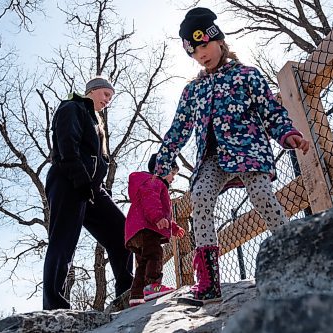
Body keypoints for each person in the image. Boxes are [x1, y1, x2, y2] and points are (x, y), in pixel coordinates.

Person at [153, 7, 310, 306]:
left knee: (262, 195)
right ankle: (209, 281)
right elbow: (179, 128)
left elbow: (271, 110)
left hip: (248, 149)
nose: (201, 55)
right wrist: (164, 160)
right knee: (199, 197)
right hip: (212, 159)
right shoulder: (193, 90)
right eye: (193, 51)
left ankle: (296, 256)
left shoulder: (246, 76)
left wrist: (288, 133)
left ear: (219, 41)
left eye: (204, 46)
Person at [43, 77, 134, 310]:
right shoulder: (73, 107)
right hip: (68, 179)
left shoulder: (97, 123)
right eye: (105, 94)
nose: (107, 101)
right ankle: (55, 305)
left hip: (92, 189)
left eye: (110, 98)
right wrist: (80, 179)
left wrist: (94, 184)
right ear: (91, 92)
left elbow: (99, 161)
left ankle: (127, 291)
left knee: (121, 232)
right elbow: (66, 145)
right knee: (63, 241)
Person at [123, 154, 185, 308]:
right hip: (147, 227)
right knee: (155, 254)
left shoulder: (147, 183)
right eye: (172, 173)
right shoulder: (154, 182)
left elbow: (154, 207)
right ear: (163, 169)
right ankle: (153, 286)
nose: (173, 178)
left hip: (137, 230)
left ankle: (136, 295)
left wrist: (173, 227)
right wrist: (157, 217)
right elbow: (151, 201)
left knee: (143, 261)